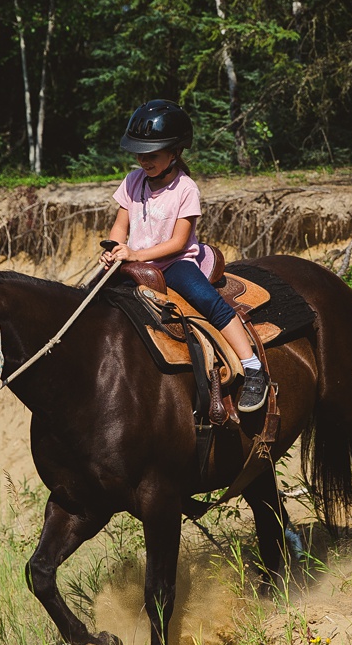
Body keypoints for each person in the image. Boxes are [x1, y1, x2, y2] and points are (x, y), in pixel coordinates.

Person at [102, 99, 270, 413]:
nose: (143, 160)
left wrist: (136, 253)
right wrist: (113, 250)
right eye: (139, 153)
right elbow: (119, 225)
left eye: (151, 155)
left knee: (208, 301)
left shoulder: (185, 188)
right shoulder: (132, 181)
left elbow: (178, 242)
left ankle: (252, 367)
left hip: (174, 264)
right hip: (133, 263)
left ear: (175, 152)